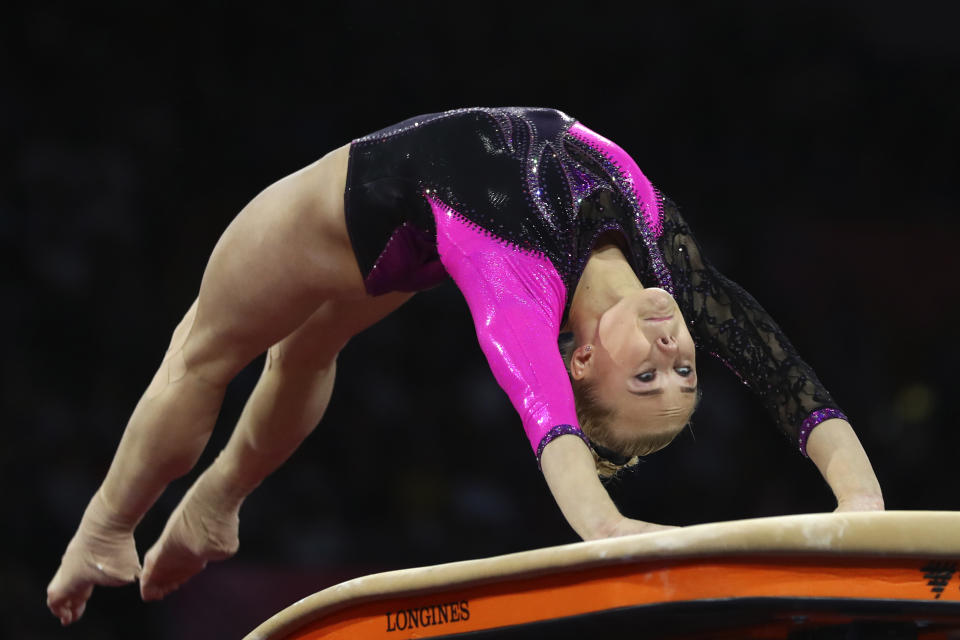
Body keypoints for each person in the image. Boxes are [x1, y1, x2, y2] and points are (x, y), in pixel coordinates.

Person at [46, 107, 884, 626]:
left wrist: (606, 530)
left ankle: (105, 532)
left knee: (203, 353)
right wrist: (861, 508)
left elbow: (545, 418)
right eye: (682, 377)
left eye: (646, 380)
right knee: (302, 351)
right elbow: (790, 382)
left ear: (581, 357)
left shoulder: (517, 283)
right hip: (416, 229)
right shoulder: (677, 273)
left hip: (342, 218)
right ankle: (213, 505)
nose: (672, 359)